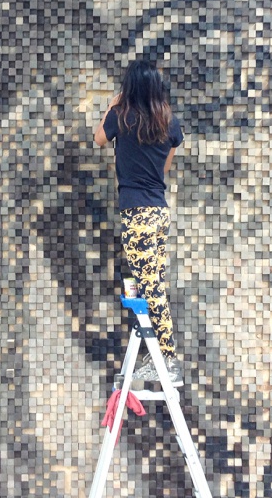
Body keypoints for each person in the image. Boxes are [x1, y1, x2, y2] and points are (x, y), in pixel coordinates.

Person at [94, 59, 185, 385]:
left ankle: (169, 363)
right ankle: (156, 357)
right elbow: (164, 170)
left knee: (150, 288)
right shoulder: (168, 123)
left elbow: (99, 139)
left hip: (137, 213)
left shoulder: (123, 116)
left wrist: (113, 104)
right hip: (159, 211)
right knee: (150, 282)